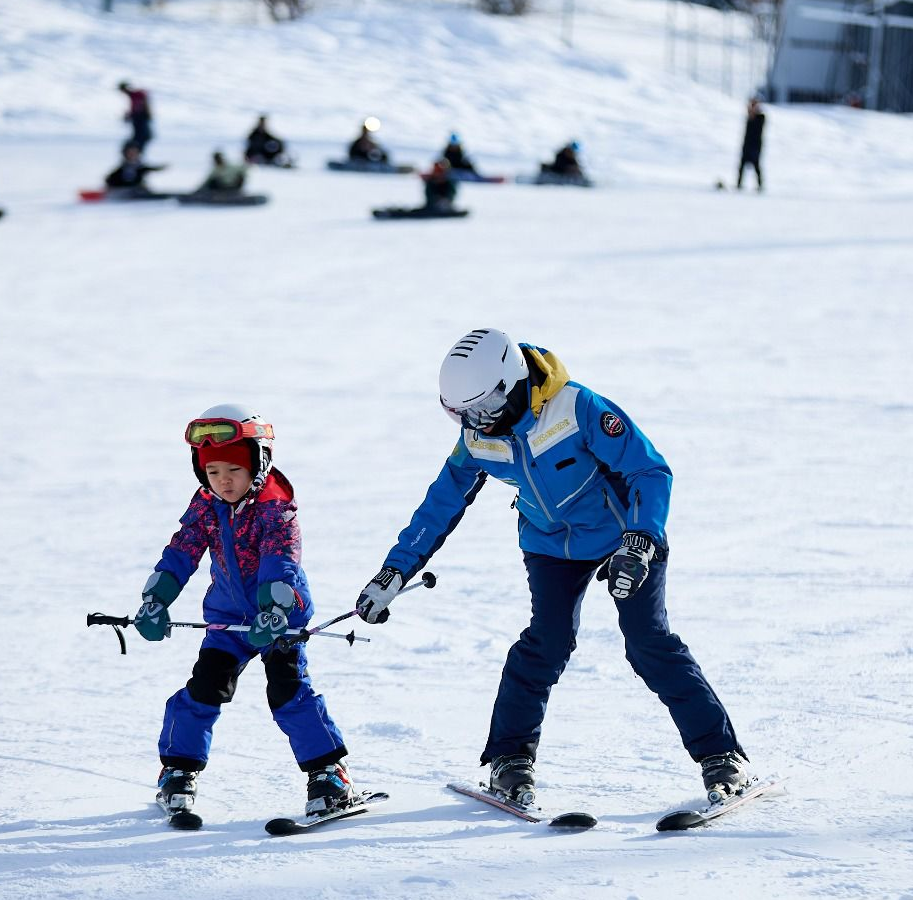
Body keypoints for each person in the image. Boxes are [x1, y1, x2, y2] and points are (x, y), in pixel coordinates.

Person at [353, 329, 751, 809]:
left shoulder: (578, 409)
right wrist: (392, 573)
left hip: (626, 535)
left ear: (510, 384)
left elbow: (650, 470)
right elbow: (441, 504)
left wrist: (642, 540)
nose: (475, 423)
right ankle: (510, 761)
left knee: (648, 642)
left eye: (481, 409)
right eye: (461, 414)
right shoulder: (478, 437)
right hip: (550, 544)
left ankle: (722, 756)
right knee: (546, 642)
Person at [132, 404, 356, 830]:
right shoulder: (206, 503)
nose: (223, 481)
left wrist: (275, 607)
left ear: (258, 463)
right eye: (213, 472)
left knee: (288, 693)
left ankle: (329, 775)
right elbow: (183, 549)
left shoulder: (276, 505)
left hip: (280, 617)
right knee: (204, 689)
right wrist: (157, 596)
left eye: (233, 469)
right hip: (229, 618)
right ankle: (177, 770)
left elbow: (281, 559)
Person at [736, 99, 765, 191]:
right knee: (741, 166)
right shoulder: (749, 117)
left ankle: (760, 186)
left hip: (755, 147)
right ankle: (739, 184)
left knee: (756, 167)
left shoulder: (761, 117)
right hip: (747, 146)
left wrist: (752, 111)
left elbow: (757, 127)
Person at [118, 81, 154, 152]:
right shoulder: (133, 95)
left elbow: (141, 105)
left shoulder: (137, 94)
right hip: (138, 119)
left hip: (141, 119)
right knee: (139, 138)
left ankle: (136, 155)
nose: (123, 93)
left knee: (142, 137)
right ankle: (134, 155)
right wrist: (129, 115)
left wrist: (146, 113)